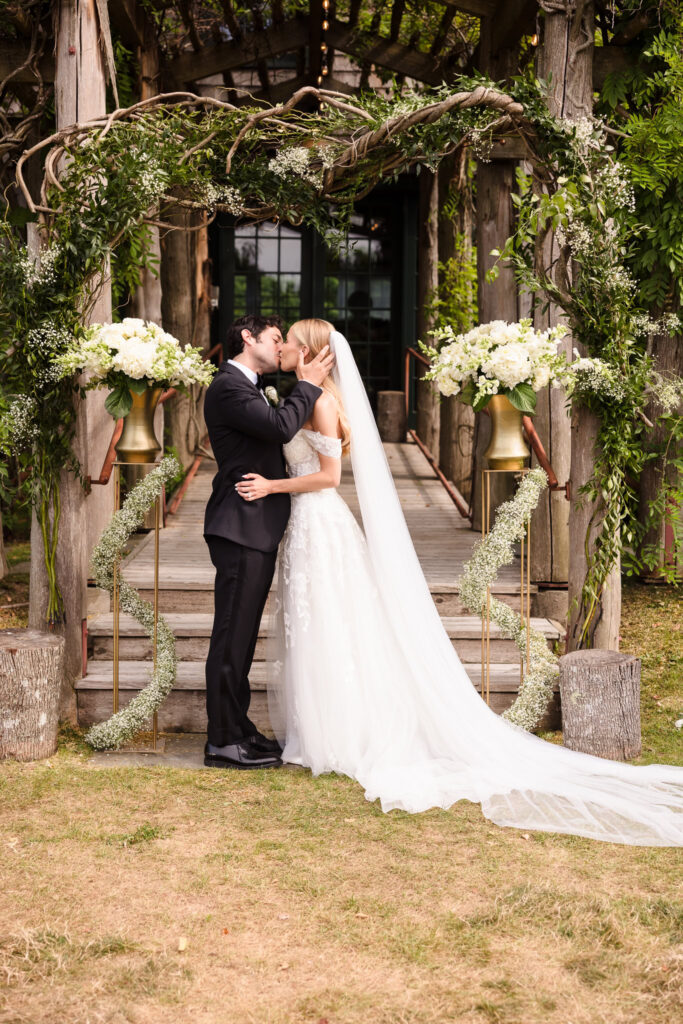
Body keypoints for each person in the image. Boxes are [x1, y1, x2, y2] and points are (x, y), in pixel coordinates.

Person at [236, 318, 683, 846]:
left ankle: (339, 737)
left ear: (310, 350)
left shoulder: (322, 403)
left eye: (288, 338)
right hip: (306, 525)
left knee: (332, 624)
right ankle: (316, 734)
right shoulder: (304, 397)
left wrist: (272, 485)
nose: (282, 345)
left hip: (320, 520)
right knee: (318, 626)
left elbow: (330, 478)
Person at [202, 314, 334, 770]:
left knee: (241, 637)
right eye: (275, 339)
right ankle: (222, 739)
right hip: (239, 522)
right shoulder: (227, 387)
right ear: (247, 338)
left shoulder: (253, 386)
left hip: (256, 525)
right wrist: (310, 384)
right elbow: (280, 429)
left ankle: (239, 730)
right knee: (230, 636)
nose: (280, 347)